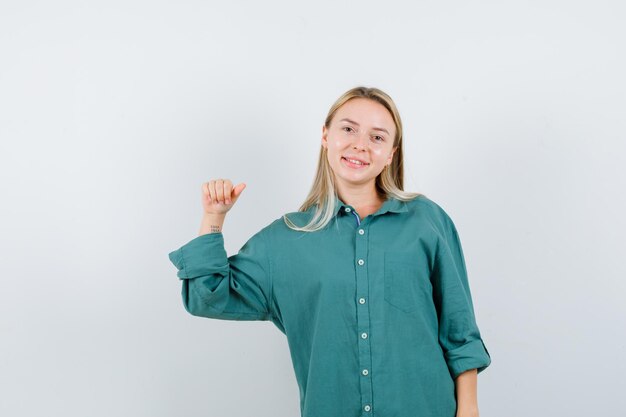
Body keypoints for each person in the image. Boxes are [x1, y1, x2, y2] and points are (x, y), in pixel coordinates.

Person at [168, 86, 491, 417]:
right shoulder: (285, 240)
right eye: (348, 129)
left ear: (391, 153)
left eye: (377, 137)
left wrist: (469, 410)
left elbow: (460, 331)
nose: (360, 145)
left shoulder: (427, 222)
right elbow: (205, 296)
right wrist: (213, 218)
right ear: (326, 136)